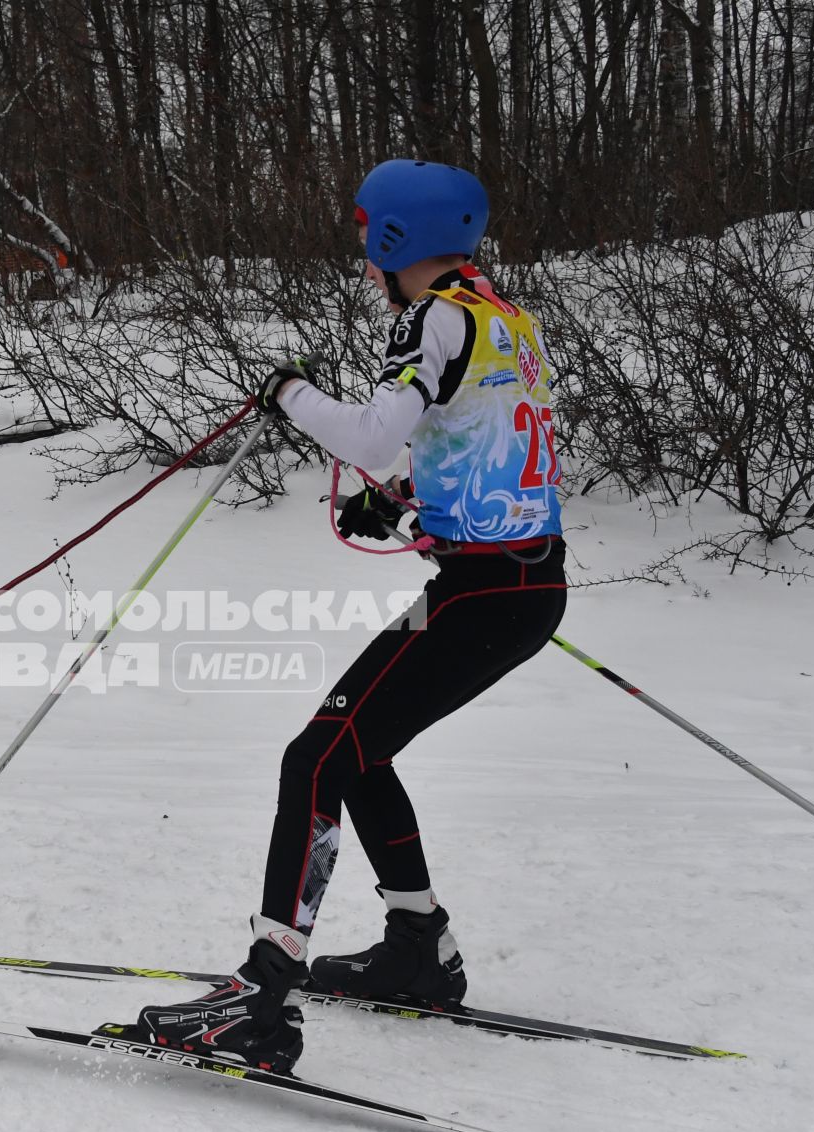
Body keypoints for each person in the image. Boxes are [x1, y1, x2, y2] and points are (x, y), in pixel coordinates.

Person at [128, 159, 568, 1075]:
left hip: (488, 591)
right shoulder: (501, 316)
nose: (364, 256)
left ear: (390, 240)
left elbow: (368, 432)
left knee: (316, 756)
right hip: (512, 586)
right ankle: (417, 949)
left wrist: (288, 392)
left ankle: (260, 996)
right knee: (357, 753)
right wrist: (406, 500)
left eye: (367, 234)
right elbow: (487, 440)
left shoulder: (433, 315)